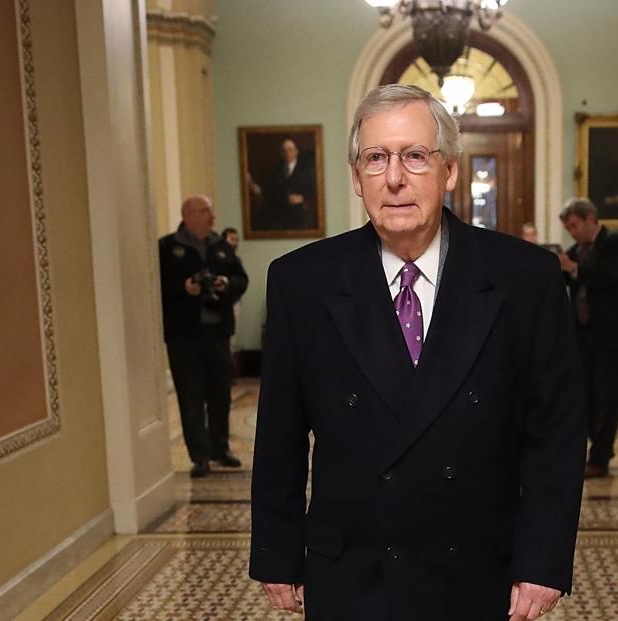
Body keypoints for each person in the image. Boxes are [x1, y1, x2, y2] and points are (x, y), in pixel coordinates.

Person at [250, 85, 586, 620]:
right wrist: (277, 550)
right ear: (357, 177)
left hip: (477, 568)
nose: (395, 178)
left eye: (414, 156)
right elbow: (280, 430)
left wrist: (542, 559)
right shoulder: (301, 281)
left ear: (449, 171)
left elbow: (557, 433)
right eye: (376, 158)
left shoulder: (524, 277)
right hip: (352, 570)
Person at [159, 196, 248, 477]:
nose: (212, 216)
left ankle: (220, 448)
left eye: (211, 210)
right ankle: (199, 456)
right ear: (189, 215)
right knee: (191, 395)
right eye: (206, 211)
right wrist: (184, 288)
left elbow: (241, 279)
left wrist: (226, 284)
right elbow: (155, 286)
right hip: (183, 336)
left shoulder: (221, 246)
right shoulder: (167, 247)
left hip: (217, 333)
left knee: (220, 392)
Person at [556, 197, 618, 478]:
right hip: (585, 336)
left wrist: (573, 268)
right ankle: (596, 446)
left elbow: (607, 276)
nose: (572, 233)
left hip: (616, 337)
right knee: (587, 398)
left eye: (575, 226)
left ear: (591, 219)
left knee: (610, 398)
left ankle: (601, 458)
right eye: (568, 229)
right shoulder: (576, 251)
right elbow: (565, 280)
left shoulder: (615, 242)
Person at [250, 138, 318, 231]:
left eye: (290, 149)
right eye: (284, 150)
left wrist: (302, 198)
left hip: (300, 214)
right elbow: (268, 190)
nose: (287, 153)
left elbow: (315, 189)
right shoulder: (275, 170)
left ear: (296, 151)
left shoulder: (306, 170)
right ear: (281, 153)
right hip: (280, 215)